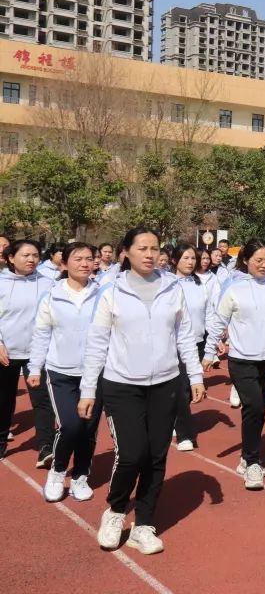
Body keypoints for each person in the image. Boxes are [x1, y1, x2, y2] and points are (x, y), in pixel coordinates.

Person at [79, 226, 206, 555]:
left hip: (165, 383)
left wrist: (195, 376)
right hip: (122, 385)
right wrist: (88, 389)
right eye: (142, 248)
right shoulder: (111, 291)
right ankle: (116, 510)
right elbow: (97, 344)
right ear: (126, 252)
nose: (150, 254)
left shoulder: (172, 288)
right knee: (132, 453)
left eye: (155, 248)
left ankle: (145, 523)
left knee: (156, 455)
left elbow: (184, 337)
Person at [203, 240, 265, 490]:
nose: (264, 265)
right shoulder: (234, 289)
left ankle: (246, 454)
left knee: (258, 410)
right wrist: (209, 353)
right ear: (246, 261)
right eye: (258, 261)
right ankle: (252, 463)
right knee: (253, 406)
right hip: (242, 360)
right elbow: (219, 322)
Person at [28, 242, 102, 502]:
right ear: (64, 263)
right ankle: (58, 471)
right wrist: (34, 367)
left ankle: (81, 476)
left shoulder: (104, 293)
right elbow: (41, 334)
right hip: (61, 372)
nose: (84, 263)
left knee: (88, 429)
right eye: (78, 258)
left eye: (89, 259)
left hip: (95, 373)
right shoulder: (52, 295)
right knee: (70, 426)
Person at [0, 239, 58, 465]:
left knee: (43, 399)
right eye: (25, 255)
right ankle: (1, 441)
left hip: (38, 352)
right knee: (4, 400)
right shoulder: (2, 282)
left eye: (35, 255)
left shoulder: (48, 283)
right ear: (11, 258)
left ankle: (45, 446)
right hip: (6, 351)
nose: (31, 259)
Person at [171, 243, 218, 452]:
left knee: (189, 390)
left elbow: (209, 314)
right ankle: (185, 435)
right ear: (175, 260)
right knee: (182, 389)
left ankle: (173, 416)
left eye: (192, 258)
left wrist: (215, 342)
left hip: (197, 342)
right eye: (185, 258)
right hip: (175, 344)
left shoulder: (201, 285)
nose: (190, 262)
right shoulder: (168, 284)